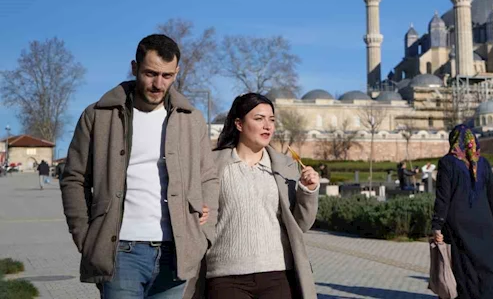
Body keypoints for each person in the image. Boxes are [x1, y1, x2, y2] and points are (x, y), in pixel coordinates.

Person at [60, 34, 219, 298]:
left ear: (177, 72)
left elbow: (209, 177)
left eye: (167, 76)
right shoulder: (99, 115)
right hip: (120, 252)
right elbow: (74, 178)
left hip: (176, 254)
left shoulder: (190, 119)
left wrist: (205, 232)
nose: (158, 84)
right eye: (150, 74)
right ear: (134, 68)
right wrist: (85, 237)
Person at [202, 92, 319, 299]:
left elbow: (300, 225)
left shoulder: (286, 167)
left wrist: (308, 191)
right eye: (259, 119)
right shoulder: (212, 165)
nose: (267, 126)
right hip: (225, 276)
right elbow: (200, 216)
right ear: (239, 124)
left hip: (277, 274)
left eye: (271, 120)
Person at [431, 124, 493, 299]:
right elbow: (492, 196)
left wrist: (437, 225)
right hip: (484, 222)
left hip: (459, 224)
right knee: (487, 267)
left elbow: (443, 197)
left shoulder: (447, 163)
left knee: (463, 267)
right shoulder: (483, 163)